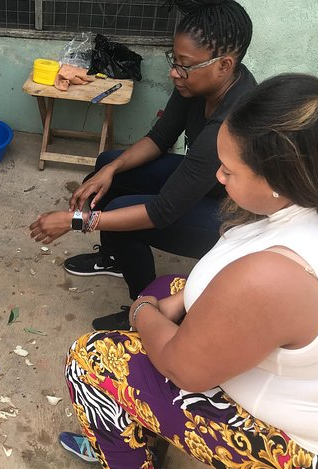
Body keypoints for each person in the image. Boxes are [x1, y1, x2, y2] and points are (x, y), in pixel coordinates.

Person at [59, 74, 318, 469]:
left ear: (276, 180)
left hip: (300, 447)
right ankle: (137, 421)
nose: (218, 176)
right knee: (170, 286)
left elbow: (186, 369)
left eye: (229, 172)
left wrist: (142, 312)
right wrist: (176, 301)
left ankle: (127, 465)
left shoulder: (275, 275)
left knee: (90, 359)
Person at [30, 0, 256, 330]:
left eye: (184, 65)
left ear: (224, 65)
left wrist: (76, 220)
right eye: (174, 60)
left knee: (122, 213)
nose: (174, 72)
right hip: (207, 183)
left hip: (235, 220)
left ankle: (146, 310)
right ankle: (116, 258)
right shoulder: (196, 83)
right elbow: (160, 137)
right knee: (108, 164)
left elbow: (162, 212)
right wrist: (111, 169)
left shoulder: (231, 123)